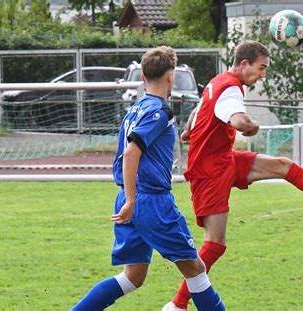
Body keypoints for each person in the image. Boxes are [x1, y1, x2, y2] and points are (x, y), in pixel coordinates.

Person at [162, 40, 303, 311]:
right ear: (243, 64)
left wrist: (194, 131)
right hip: (210, 173)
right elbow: (238, 121)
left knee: (282, 165)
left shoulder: (217, 82)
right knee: (215, 244)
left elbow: (193, 120)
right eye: (261, 68)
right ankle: (177, 305)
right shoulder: (230, 89)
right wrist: (250, 126)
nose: (262, 75)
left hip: (223, 160)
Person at [71, 46, 225, 311]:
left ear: (142, 76)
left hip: (128, 196)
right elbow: (131, 154)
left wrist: (128, 198)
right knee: (195, 268)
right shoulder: (160, 112)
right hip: (150, 202)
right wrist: (133, 201)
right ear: (170, 77)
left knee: (134, 276)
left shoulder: (134, 110)